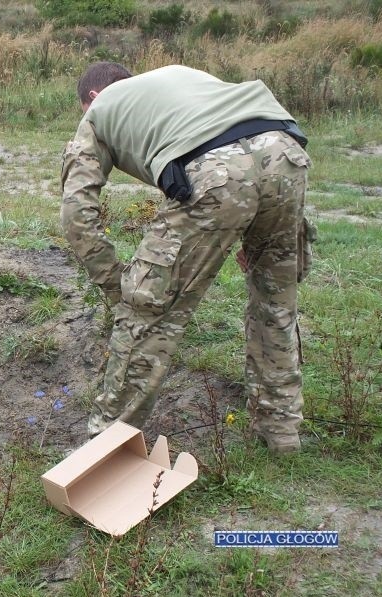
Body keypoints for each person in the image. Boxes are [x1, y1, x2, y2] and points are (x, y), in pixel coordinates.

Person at [61, 62, 312, 454]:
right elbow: (250, 143)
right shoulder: (179, 78)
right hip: (285, 153)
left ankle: (105, 450)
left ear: (92, 97)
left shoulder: (100, 108)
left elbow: (77, 210)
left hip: (217, 171)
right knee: (276, 305)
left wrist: (120, 287)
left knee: (148, 314)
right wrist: (271, 227)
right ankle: (281, 433)